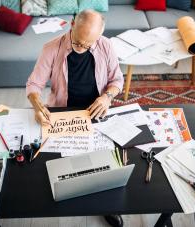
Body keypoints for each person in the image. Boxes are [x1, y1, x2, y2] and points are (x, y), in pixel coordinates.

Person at [26, 9, 124, 227]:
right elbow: (34, 84)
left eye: (89, 45)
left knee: (106, 164)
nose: (82, 48)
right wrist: (36, 104)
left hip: (96, 111)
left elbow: (117, 80)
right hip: (64, 112)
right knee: (66, 162)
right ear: (71, 25)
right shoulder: (51, 48)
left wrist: (107, 97)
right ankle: (69, 198)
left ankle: (107, 205)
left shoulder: (105, 45)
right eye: (79, 43)